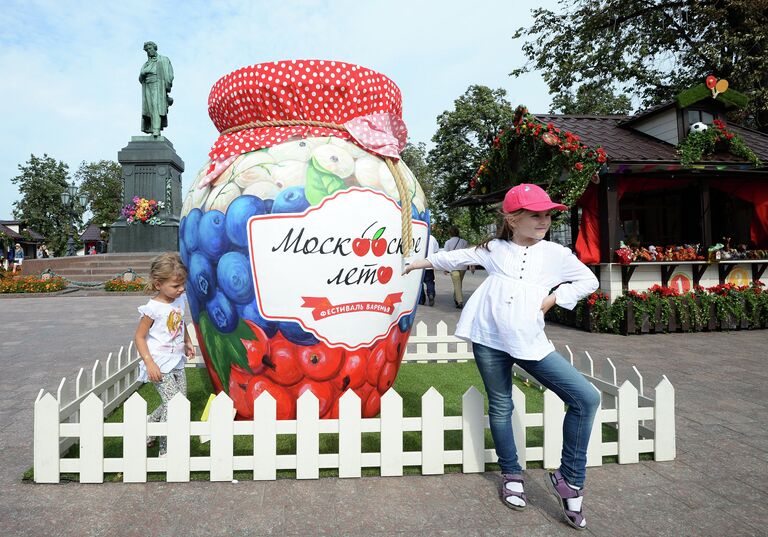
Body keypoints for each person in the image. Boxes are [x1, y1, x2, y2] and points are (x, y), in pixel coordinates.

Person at [403, 184, 600, 531]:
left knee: (585, 398)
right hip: (488, 337)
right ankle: (512, 474)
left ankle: (570, 477)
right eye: (535, 214)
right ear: (512, 218)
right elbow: (455, 258)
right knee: (500, 404)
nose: (544, 220)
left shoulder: (556, 254)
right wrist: (417, 263)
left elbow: (588, 281)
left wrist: (555, 298)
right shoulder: (494, 248)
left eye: (547, 214)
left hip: (529, 340)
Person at [134, 252, 195, 456]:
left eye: (182, 285)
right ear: (158, 284)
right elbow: (140, 337)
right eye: (176, 286)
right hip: (159, 362)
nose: (181, 289)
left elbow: (179, 324)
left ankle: (149, 425)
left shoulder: (179, 301)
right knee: (172, 405)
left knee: (180, 401)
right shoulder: (152, 309)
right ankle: (166, 450)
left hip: (176, 360)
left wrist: (187, 341)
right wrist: (150, 363)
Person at [139, 41, 174, 137]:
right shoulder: (146, 64)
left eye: (150, 49)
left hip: (158, 85)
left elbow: (170, 74)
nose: (148, 51)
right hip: (148, 86)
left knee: (156, 107)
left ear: (154, 48)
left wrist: (167, 86)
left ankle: (156, 130)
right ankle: (151, 129)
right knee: (149, 109)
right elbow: (140, 77)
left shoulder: (163, 59)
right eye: (147, 50)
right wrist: (143, 73)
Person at [443, 227, 469, 308]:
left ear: (450, 233)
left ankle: (460, 301)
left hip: (452, 266)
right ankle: (456, 298)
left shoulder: (447, 243)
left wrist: (445, 268)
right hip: (463, 266)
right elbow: (468, 254)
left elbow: (445, 256)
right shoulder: (464, 242)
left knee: (457, 283)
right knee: (459, 283)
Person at [418, 233, 439, 306]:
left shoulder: (419, 235)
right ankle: (431, 294)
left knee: (419, 283)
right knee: (430, 282)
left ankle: (421, 299)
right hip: (430, 263)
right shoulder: (433, 238)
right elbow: (436, 252)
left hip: (419, 264)